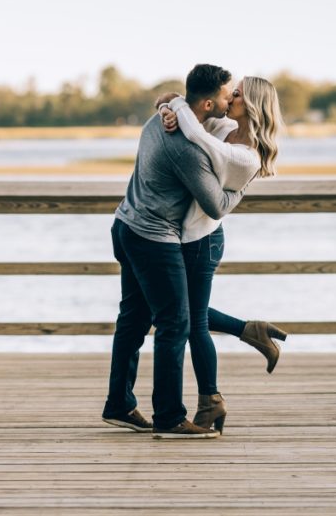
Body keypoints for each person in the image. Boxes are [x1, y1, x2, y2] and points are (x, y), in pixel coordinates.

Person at [101, 64, 245, 439]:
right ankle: (169, 417)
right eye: (229, 94)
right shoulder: (184, 148)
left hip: (125, 226)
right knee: (176, 323)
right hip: (153, 239)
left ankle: (119, 404)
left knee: (133, 319)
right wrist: (243, 187)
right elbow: (215, 205)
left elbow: (179, 109)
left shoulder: (160, 121)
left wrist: (169, 103)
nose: (232, 99)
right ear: (210, 103)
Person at [155, 76, 286, 433]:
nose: (230, 96)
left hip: (202, 241)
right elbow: (180, 102)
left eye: (238, 93)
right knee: (181, 312)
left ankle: (210, 400)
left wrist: (179, 110)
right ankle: (249, 331)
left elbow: (196, 138)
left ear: (253, 103)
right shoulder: (225, 126)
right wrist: (169, 107)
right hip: (186, 236)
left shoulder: (245, 157)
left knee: (191, 321)